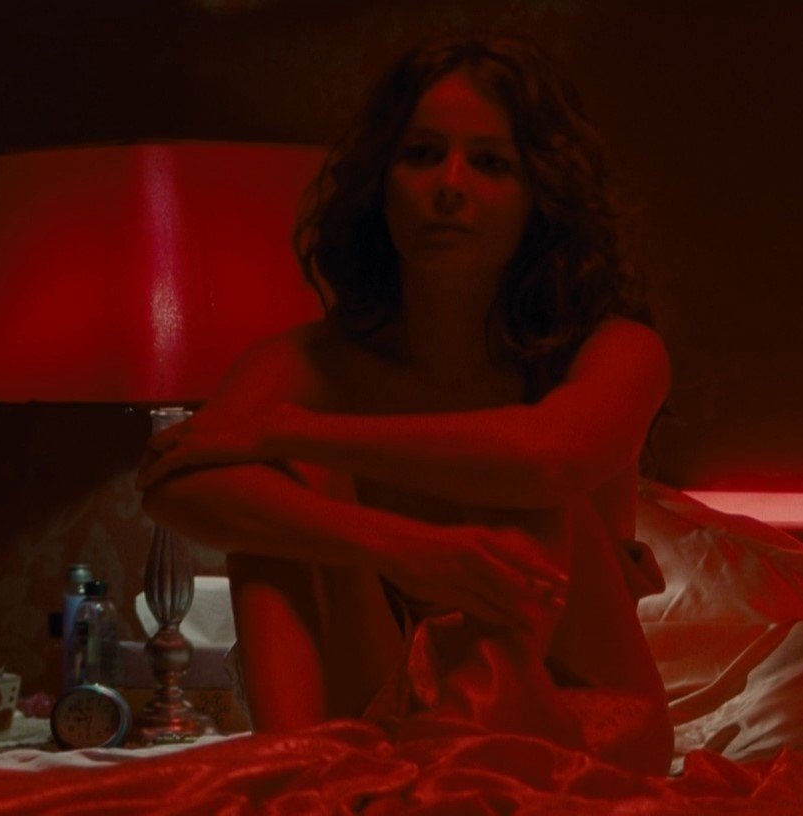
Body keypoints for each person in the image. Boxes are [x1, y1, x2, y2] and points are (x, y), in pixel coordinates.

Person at [136, 32, 673, 774]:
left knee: (518, 480)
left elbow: (550, 458)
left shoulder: (616, 350)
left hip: (578, 725)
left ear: (540, 195)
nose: (449, 185)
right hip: (371, 714)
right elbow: (173, 483)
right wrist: (398, 545)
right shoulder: (311, 362)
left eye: (490, 163)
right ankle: (293, 768)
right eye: (421, 154)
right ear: (381, 181)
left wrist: (285, 429)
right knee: (272, 495)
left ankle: (398, 755)